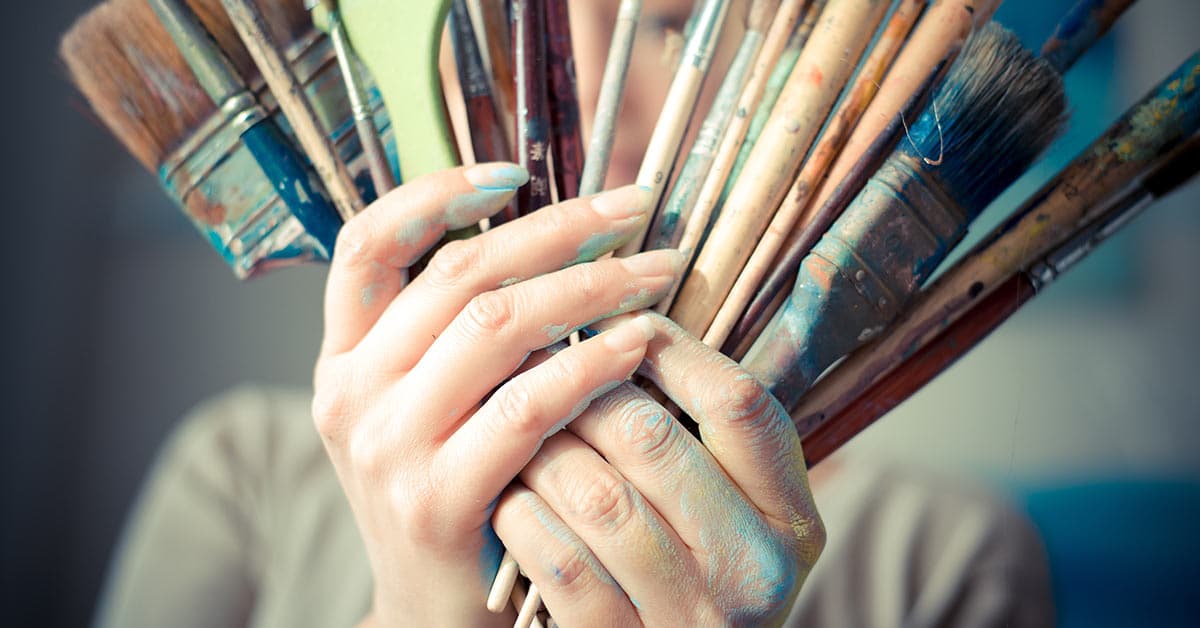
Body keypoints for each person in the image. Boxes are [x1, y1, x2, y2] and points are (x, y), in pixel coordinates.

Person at [92, 1, 1054, 626]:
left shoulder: (944, 557)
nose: (584, 104)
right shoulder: (239, 479)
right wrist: (416, 610)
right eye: (520, 24)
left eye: (674, 28)